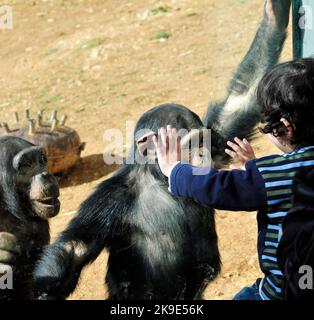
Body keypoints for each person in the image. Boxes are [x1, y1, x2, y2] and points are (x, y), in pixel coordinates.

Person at [152, 58, 314, 300]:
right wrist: (255, 169)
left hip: (288, 290)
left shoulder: (277, 175)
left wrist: (175, 169)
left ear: (284, 127)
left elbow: (219, 188)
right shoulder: (279, 175)